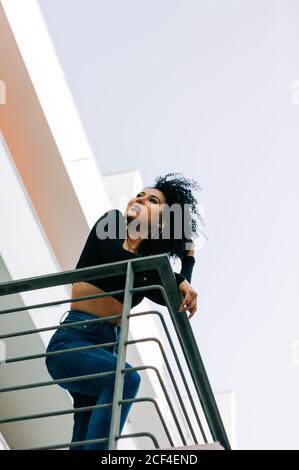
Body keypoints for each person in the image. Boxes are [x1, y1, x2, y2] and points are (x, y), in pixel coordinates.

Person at [45, 172, 202, 450]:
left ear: (163, 222)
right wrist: (178, 279)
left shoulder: (145, 267)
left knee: (84, 435)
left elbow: (169, 296)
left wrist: (188, 260)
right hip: (74, 339)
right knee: (127, 379)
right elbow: (120, 259)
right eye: (140, 194)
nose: (140, 199)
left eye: (152, 200)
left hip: (108, 348)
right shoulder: (112, 222)